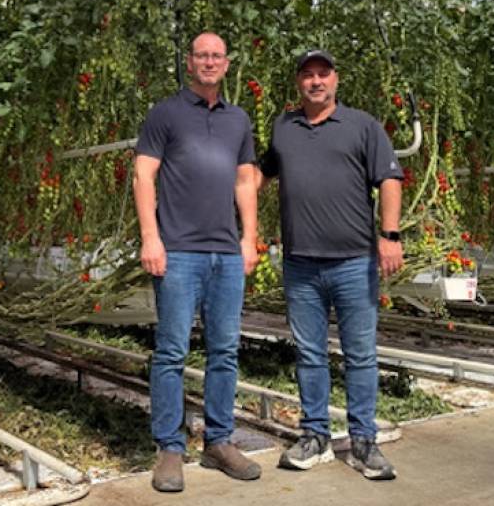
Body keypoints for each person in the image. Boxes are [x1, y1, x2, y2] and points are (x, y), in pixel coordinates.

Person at [258, 49, 404, 480]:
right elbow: (258, 176)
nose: (315, 81)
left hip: (354, 263)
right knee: (309, 353)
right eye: (307, 75)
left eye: (323, 74)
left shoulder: (363, 126)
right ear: (298, 83)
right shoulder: (283, 127)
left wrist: (390, 236)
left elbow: (390, 180)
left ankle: (363, 442)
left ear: (336, 80)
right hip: (300, 263)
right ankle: (315, 436)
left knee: (360, 354)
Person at [133, 32, 261, 493]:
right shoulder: (165, 113)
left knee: (225, 350)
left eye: (217, 56)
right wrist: (151, 237)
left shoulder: (238, 119)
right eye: (201, 55)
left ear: (227, 64)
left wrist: (249, 238)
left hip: (226, 252)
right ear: (190, 62)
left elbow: (245, 180)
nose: (209, 62)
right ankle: (170, 446)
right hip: (179, 251)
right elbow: (144, 175)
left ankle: (218, 441)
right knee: (172, 352)